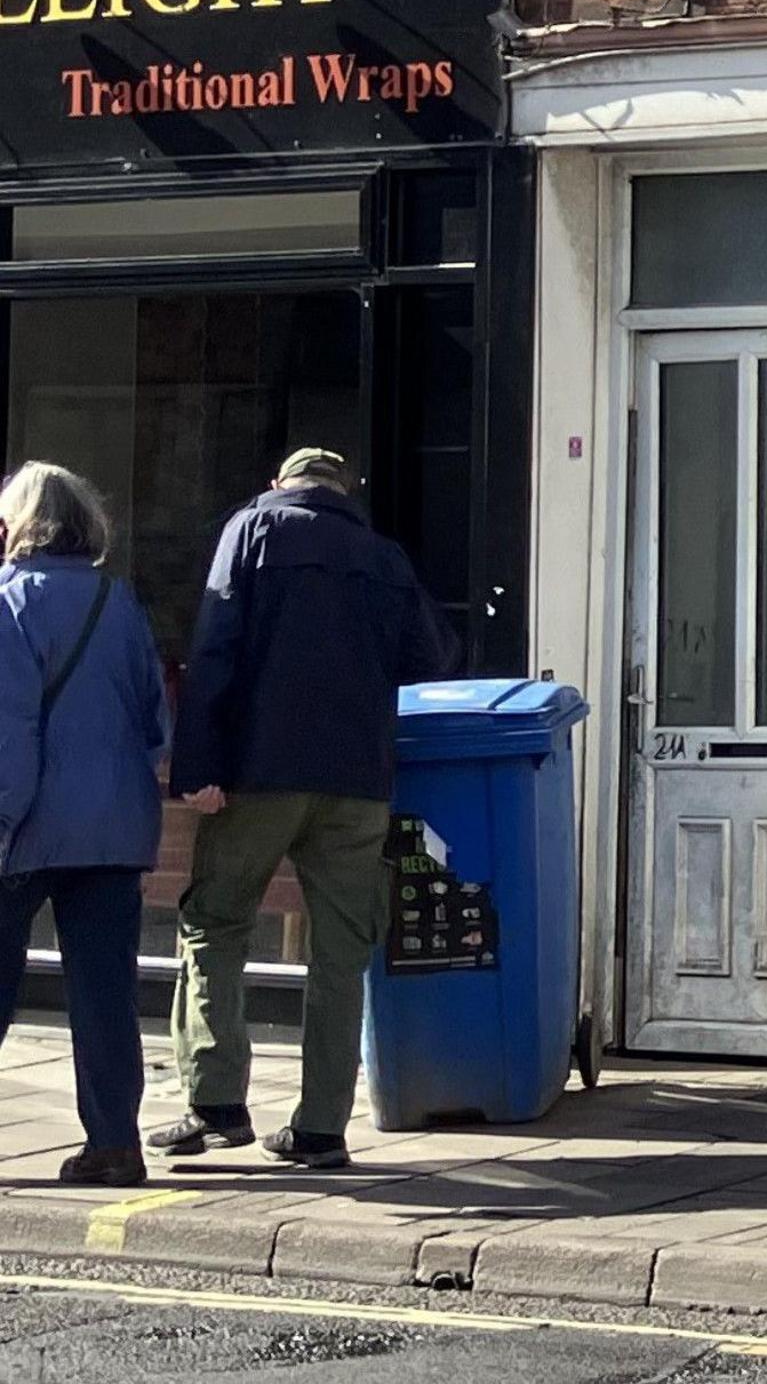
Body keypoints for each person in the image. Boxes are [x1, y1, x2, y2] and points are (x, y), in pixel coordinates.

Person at [152, 448, 453, 1173]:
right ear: (344, 493)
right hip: (357, 782)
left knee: (214, 922)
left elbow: (216, 648)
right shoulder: (384, 557)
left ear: (279, 486)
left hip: (261, 773)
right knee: (341, 952)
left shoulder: (253, 532)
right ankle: (321, 1127)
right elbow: (432, 657)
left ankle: (216, 1101)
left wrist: (198, 769)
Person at [0, 464, 168, 1186]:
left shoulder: (9, 604)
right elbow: (155, 720)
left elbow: (11, 732)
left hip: (27, 826)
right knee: (105, 996)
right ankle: (115, 1143)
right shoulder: (117, 601)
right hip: (113, 826)